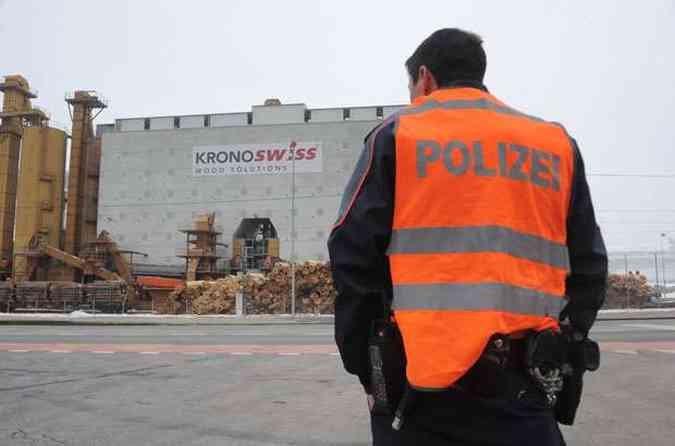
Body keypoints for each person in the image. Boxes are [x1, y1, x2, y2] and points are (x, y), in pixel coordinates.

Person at [328, 28, 608, 446]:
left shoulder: (397, 136)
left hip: (418, 390)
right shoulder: (554, 144)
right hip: (525, 383)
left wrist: (367, 367)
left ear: (424, 78)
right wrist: (563, 343)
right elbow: (589, 267)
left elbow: (351, 258)